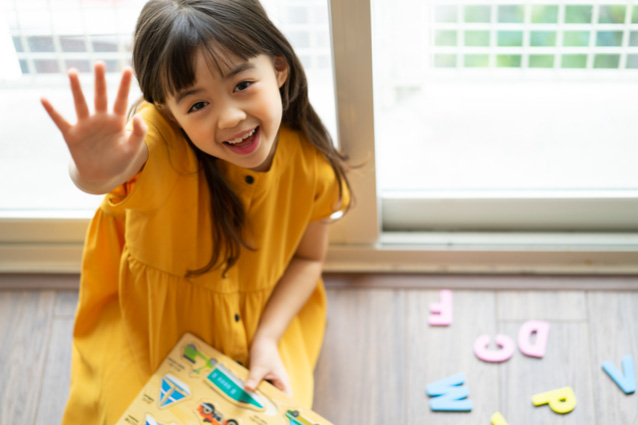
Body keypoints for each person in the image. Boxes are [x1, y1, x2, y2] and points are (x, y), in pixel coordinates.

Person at [40, 0, 351, 423]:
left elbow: (309, 259)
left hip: (268, 323)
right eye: (197, 105)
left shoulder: (313, 169)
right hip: (150, 333)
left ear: (279, 68)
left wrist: (267, 341)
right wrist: (94, 171)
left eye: (242, 84)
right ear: (170, 113)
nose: (230, 117)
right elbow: (115, 167)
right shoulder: (163, 143)